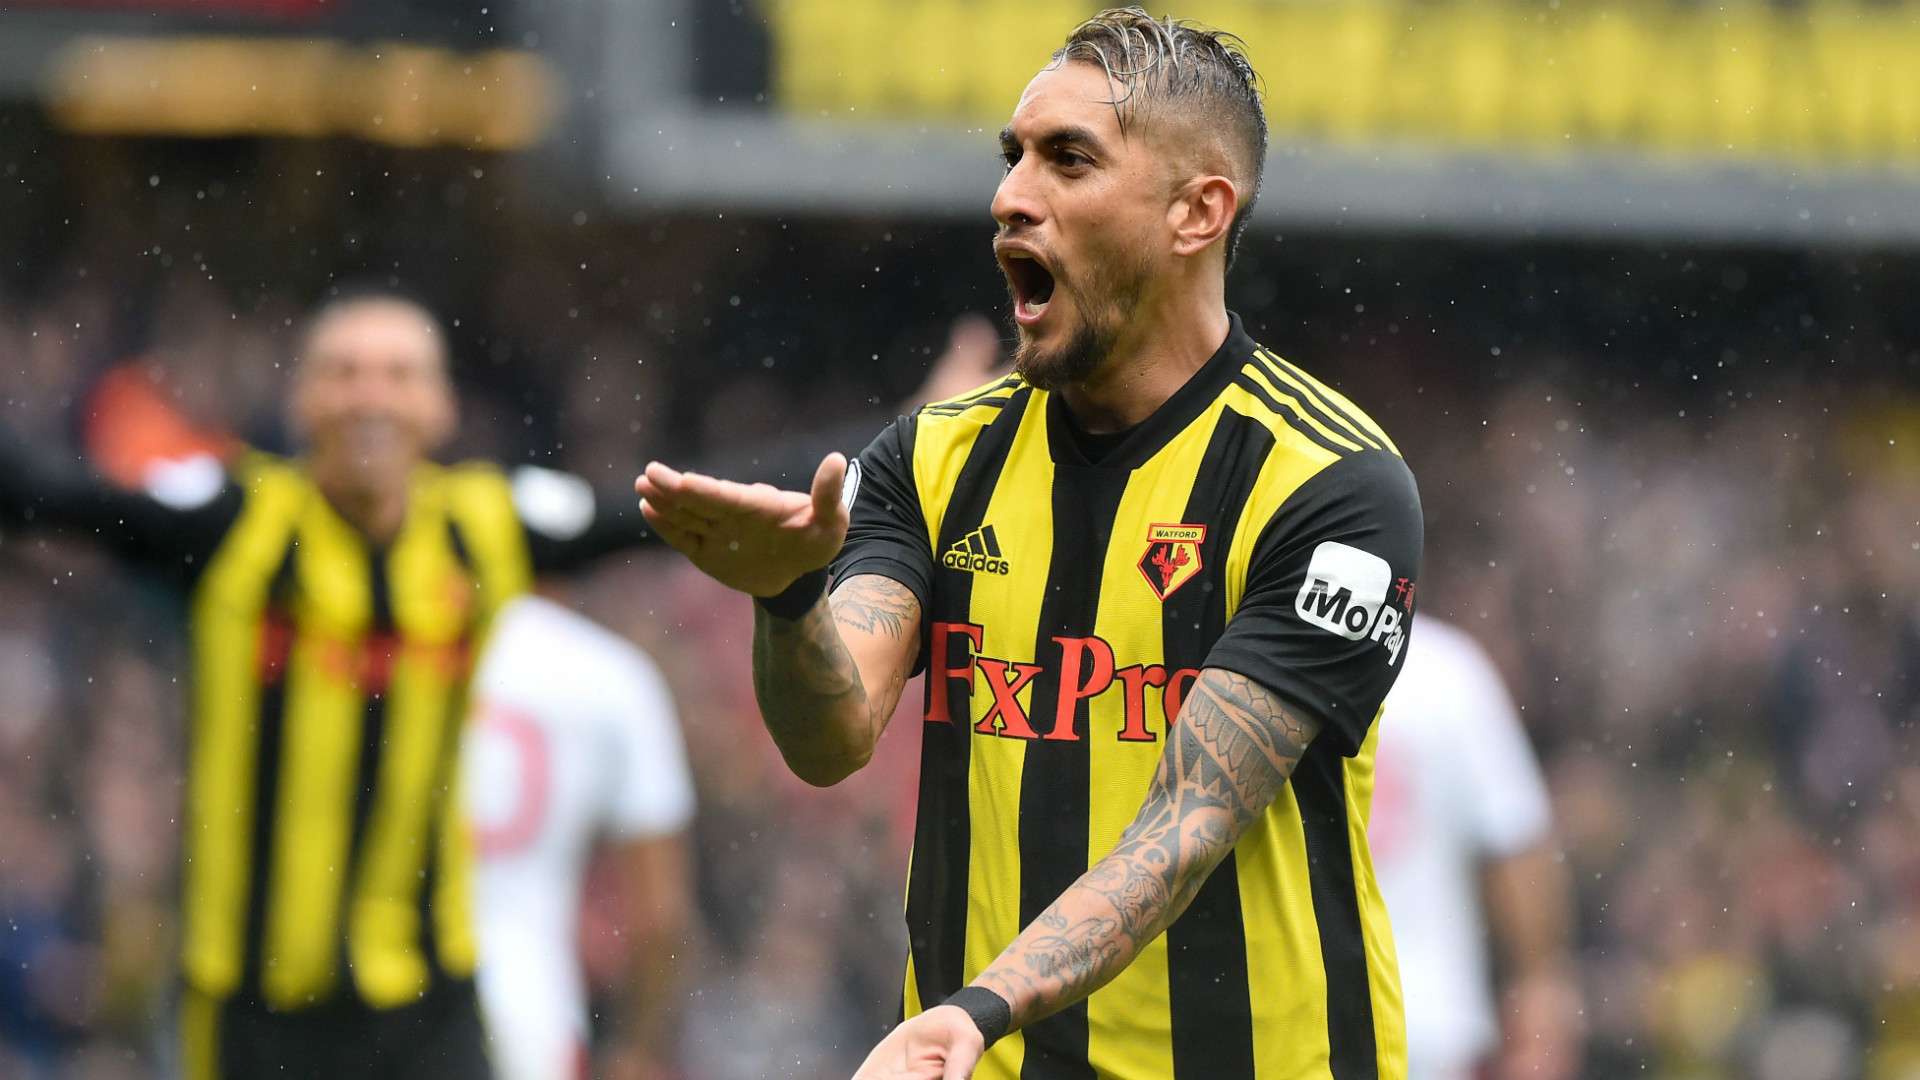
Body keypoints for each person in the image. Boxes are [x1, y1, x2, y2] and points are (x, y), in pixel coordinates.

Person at [635, 9, 1423, 1079]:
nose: (1010, 197)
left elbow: (1188, 826)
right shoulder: (935, 457)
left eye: (1069, 160)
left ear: (1198, 212)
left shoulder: (1331, 486)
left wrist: (982, 1003)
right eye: (1014, 158)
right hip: (979, 1059)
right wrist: (785, 599)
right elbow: (831, 740)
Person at [0, 288, 652, 1079]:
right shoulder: (233, 522)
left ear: (440, 407)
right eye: (343, 372)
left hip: (425, 1008)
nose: (370, 395)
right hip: (250, 1011)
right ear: (301, 399)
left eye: (398, 373)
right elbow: (44, 494)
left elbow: (675, 511)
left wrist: (847, 477)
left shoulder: (484, 528)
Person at [462, 585, 696, 1080]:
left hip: (390, 997)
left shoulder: (417, 647)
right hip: (533, 1010)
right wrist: (640, 1047)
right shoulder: (611, 675)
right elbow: (659, 916)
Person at [1370, 618, 1584, 1080]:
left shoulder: (1248, 655)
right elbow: (1516, 842)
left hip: (1291, 1015)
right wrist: (1539, 985)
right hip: (1426, 1018)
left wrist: (1539, 987)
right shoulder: (1444, 670)